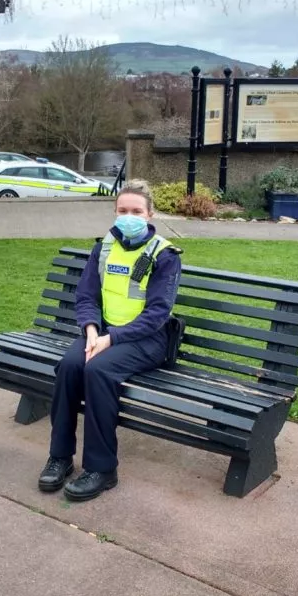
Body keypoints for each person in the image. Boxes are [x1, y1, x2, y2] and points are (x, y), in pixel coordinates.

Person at [38, 180, 183, 501]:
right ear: (114, 212)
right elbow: (87, 296)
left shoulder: (165, 255)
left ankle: (102, 469)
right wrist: (91, 330)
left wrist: (111, 338)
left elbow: (158, 314)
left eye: (136, 211)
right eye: (122, 210)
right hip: (103, 333)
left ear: (150, 214)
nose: (128, 216)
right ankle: (60, 457)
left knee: (98, 371)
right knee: (70, 366)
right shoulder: (103, 247)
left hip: (147, 340)